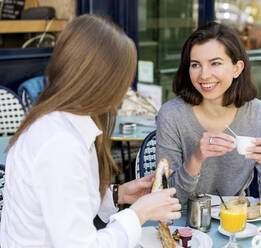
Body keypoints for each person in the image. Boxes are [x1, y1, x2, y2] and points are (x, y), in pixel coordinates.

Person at [0, 14, 181, 248]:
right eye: (124, 79)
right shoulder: (60, 143)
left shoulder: (60, 123)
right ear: (104, 81)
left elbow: (67, 205)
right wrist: (139, 214)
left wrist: (119, 195)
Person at [156, 22, 261, 204]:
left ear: (237, 68)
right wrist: (196, 157)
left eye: (215, 63)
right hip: (184, 223)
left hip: (235, 219)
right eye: (195, 65)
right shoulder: (171, 115)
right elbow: (166, 198)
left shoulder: (259, 114)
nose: (204, 75)